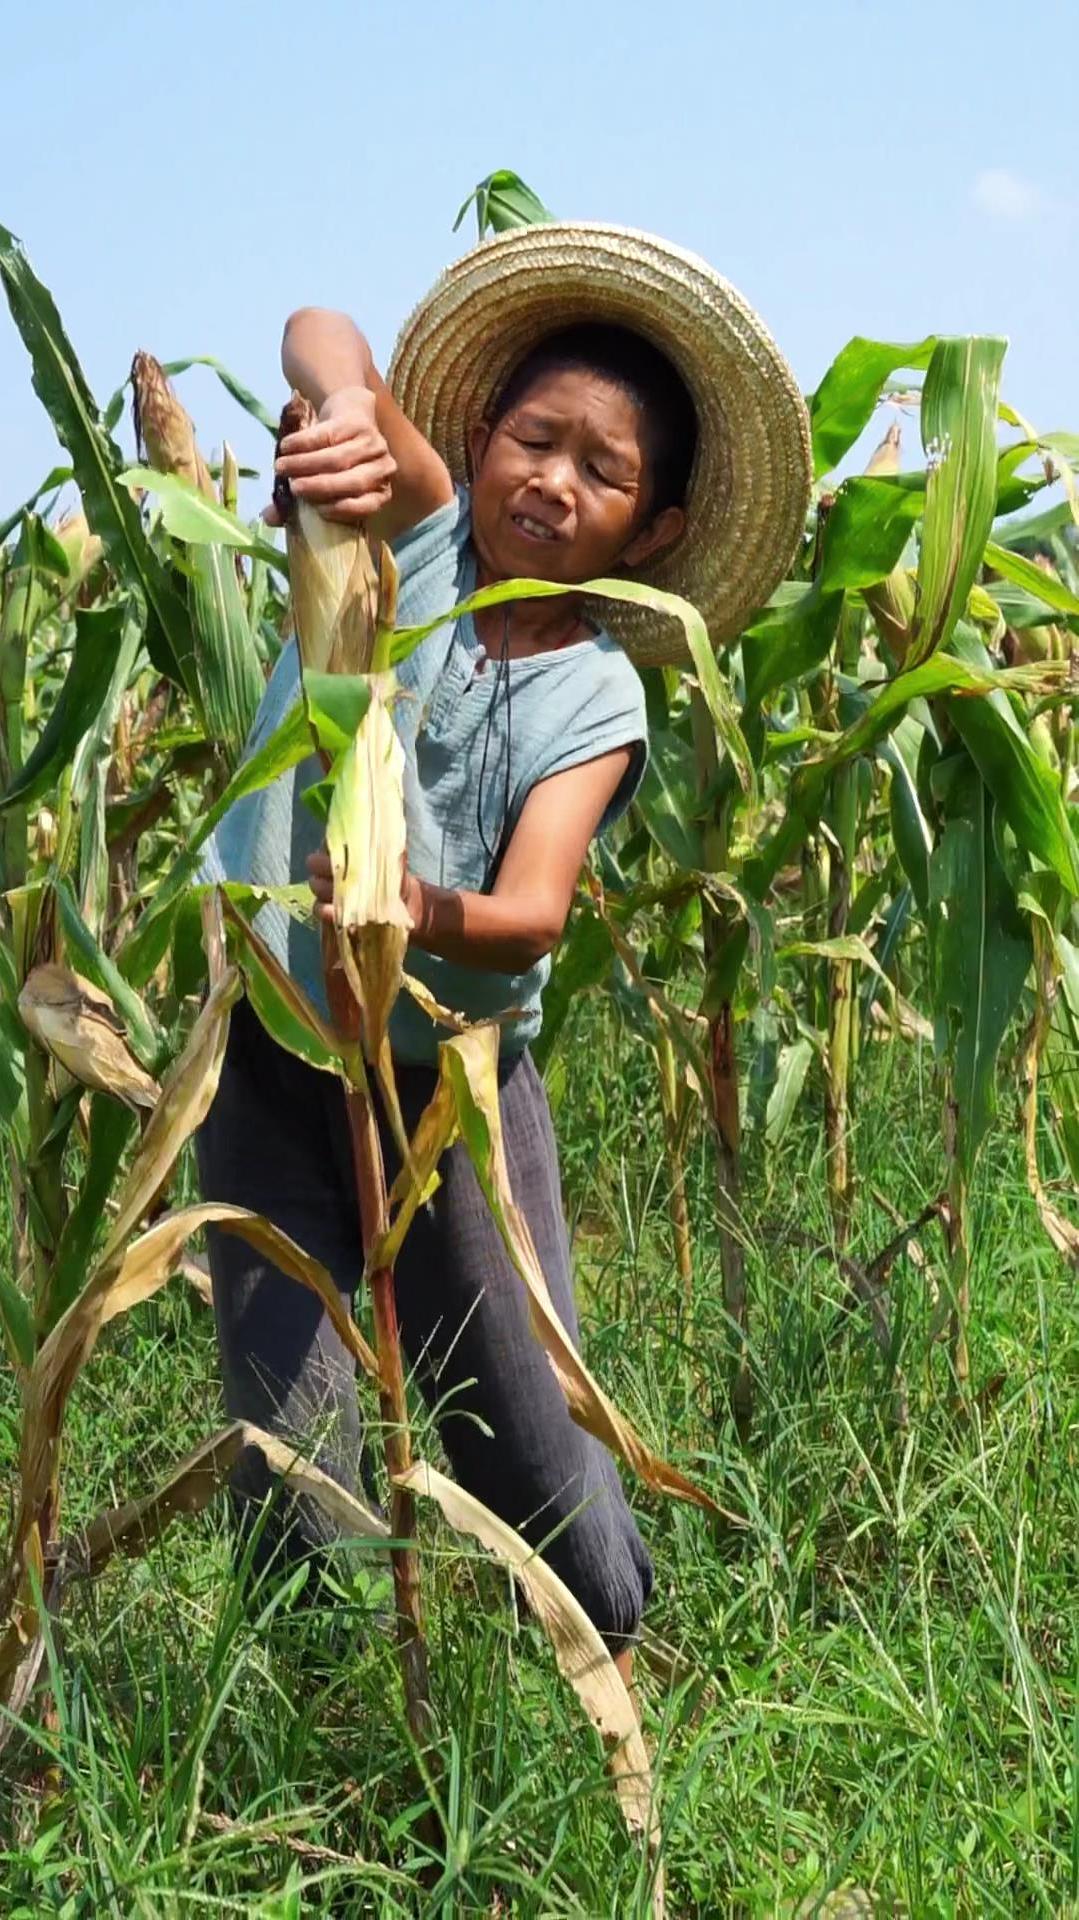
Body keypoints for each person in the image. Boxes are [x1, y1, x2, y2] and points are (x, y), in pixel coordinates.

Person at [196, 221, 811, 1690]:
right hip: (278, 1055)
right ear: (475, 444)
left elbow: (533, 912)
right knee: (291, 1450)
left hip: (454, 1088)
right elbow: (321, 326)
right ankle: (317, 1731)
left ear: (650, 533)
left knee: (536, 1458)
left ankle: (624, 1653)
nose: (553, 482)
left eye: (604, 473)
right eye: (534, 442)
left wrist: (402, 907)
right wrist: (347, 408)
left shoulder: (594, 696)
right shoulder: (414, 536)